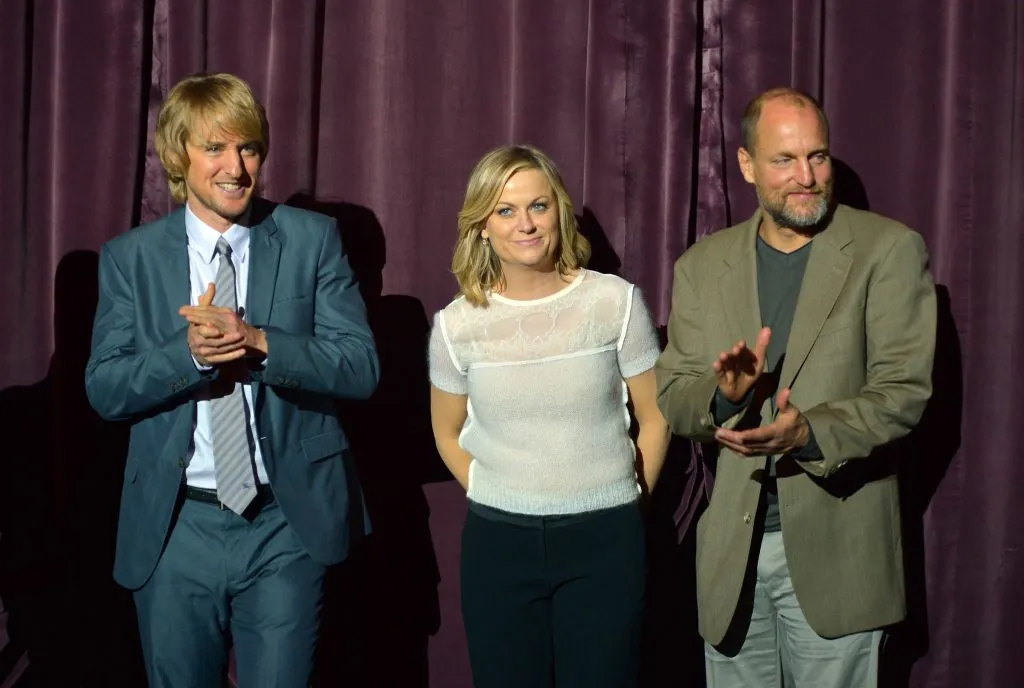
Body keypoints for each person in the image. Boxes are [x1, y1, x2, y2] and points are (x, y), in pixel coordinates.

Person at [85, 72, 379, 687]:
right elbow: (106, 389)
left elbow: (360, 366)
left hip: (284, 523)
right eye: (214, 148)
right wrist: (188, 354)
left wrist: (260, 341)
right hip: (175, 529)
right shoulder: (129, 259)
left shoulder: (311, 240)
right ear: (177, 155)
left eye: (247, 147)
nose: (236, 167)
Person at [655, 87, 936, 687]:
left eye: (819, 157)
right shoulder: (702, 266)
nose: (806, 177)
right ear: (747, 165)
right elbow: (674, 396)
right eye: (785, 160)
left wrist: (809, 432)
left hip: (839, 551)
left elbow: (903, 392)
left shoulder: (886, 250)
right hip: (733, 560)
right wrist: (724, 398)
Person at [428, 145, 669, 687]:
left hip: (606, 538)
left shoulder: (616, 302)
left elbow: (656, 417)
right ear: (482, 226)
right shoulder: (456, 325)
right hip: (499, 545)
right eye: (506, 210)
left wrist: (634, 506)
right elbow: (445, 431)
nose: (526, 224)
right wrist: (500, 490)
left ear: (560, 210)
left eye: (539, 205)